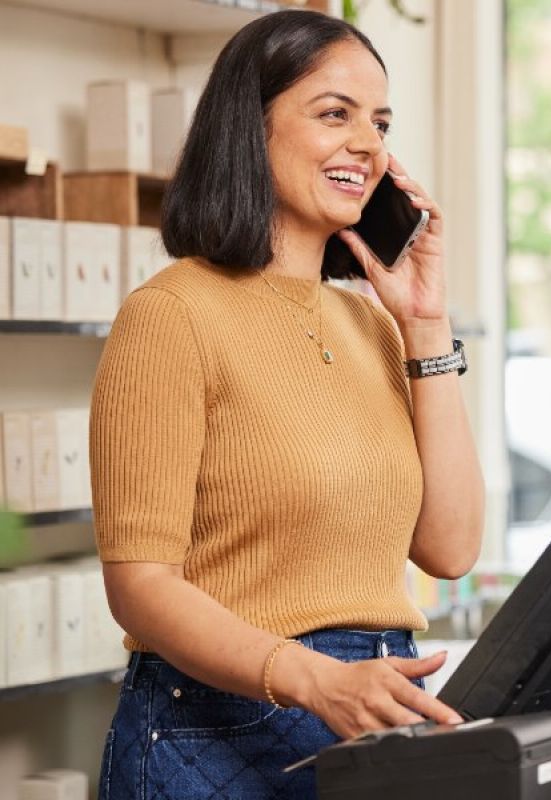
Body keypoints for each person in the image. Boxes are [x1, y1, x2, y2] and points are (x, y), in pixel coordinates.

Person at [89, 9, 485, 798]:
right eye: (334, 114)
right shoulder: (172, 314)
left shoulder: (370, 320)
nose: (367, 144)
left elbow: (449, 548)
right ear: (249, 129)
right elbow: (141, 584)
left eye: (379, 122)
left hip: (364, 716)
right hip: (214, 729)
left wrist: (425, 322)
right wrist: (311, 680)